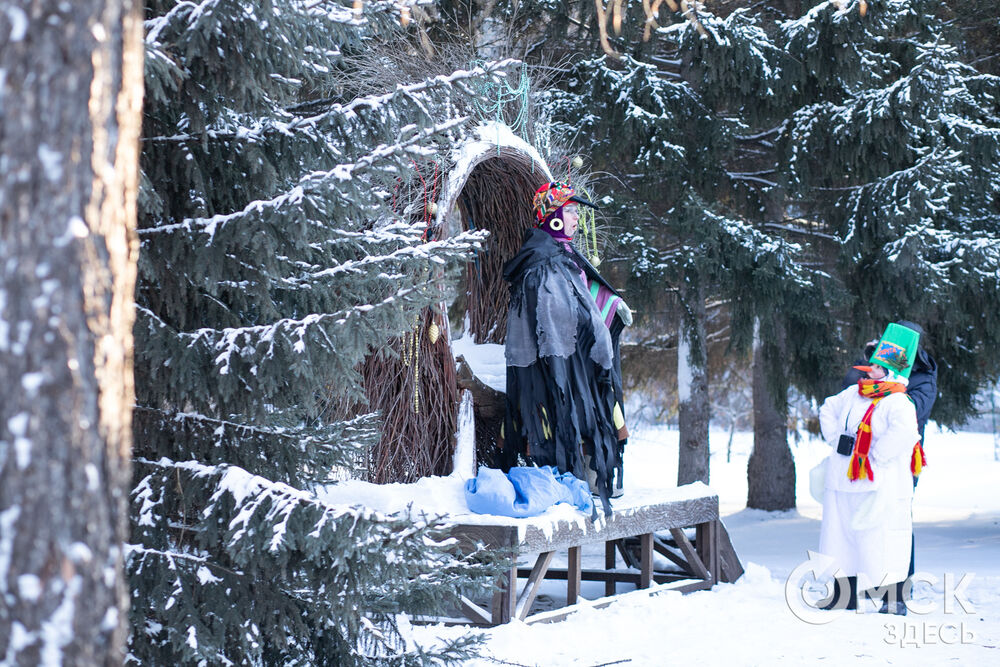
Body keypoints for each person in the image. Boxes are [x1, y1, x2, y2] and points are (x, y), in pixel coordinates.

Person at [501, 181, 631, 515]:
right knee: (580, 406)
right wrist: (596, 335)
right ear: (553, 216)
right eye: (570, 211)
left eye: (575, 212)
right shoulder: (543, 262)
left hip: (572, 360)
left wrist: (611, 307)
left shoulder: (561, 255)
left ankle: (591, 475)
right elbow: (556, 314)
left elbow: (584, 298)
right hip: (554, 368)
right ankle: (576, 476)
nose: (575, 218)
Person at [817, 323, 925, 615]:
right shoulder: (854, 393)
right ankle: (843, 595)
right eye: (872, 363)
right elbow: (827, 408)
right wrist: (835, 438)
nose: (871, 368)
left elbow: (904, 434)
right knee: (841, 537)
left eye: (878, 365)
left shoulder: (898, 401)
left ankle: (892, 600)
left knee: (883, 540)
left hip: (881, 484)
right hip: (843, 481)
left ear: (891, 372)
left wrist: (875, 455)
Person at [841, 320, 937, 452]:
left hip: (901, 452)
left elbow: (912, 414)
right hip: (861, 447)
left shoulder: (925, 378)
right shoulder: (877, 365)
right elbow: (848, 387)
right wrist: (868, 360)